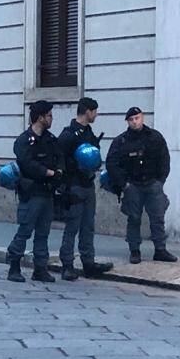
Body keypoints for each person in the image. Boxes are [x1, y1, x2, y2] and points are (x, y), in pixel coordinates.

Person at [106, 107, 177, 264]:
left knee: (158, 218)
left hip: (152, 184)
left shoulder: (155, 137)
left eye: (137, 118)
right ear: (127, 121)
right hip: (133, 186)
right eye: (131, 119)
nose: (134, 122)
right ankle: (134, 250)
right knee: (134, 218)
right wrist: (124, 185)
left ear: (142, 118)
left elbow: (165, 160)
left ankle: (160, 249)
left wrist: (160, 181)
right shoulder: (121, 141)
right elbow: (111, 164)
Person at [57, 98, 113, 280]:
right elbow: (59, 160)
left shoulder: (88, 132)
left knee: (88, 226)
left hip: (87, 184)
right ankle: (67, 265)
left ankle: (88, 262)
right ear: (87, 111)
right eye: (94, 111)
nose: (96, 115)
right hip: (74, 186)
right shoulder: (68, 135)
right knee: (72, 226)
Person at [6, 100, 61, 283]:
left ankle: (40, 268)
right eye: (49, 115)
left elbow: (59, 158)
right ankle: (14, 266)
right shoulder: (24, 140)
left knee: (43, 233)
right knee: (25, 231)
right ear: (40, 117)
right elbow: (27, 164)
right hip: (31, 193)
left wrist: (59, 172)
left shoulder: (51, 139)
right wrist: (47, 172)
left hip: (47, 192)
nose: (52, 118)